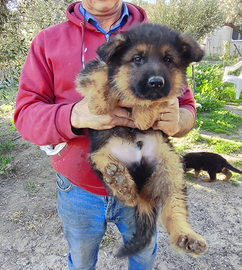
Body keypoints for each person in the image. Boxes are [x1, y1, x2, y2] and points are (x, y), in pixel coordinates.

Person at [14, 1, 197, 269]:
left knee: (144, 256)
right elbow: (25, 115)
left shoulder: (157, 36)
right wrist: (74, 115)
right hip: (78, 188)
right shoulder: (47, 41)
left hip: (144, 178)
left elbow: (186, 105)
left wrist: (179, 119)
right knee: (81, 260)